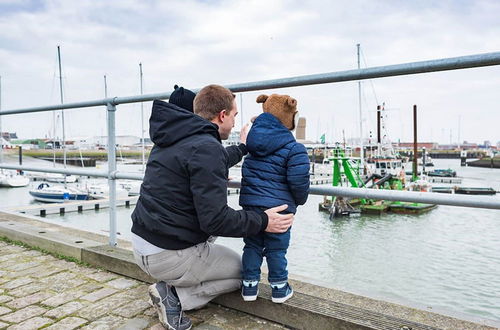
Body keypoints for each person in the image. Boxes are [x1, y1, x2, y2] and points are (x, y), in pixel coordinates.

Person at [131, 84, 294, 330]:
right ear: (222, 115)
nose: (235, 122)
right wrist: (263, 220)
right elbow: (215, 221)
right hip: (167, 256)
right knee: (246, 273)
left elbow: (210, 160)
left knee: (214, 232)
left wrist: (243, 148)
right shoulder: (206, 148)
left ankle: (180, 277)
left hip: (143, 244)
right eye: (234, 116)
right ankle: (174, 296)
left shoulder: (174, 137)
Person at [239, 93, 310, 303]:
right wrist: (299, 201)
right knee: (276, 249)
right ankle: (279, 288)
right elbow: (299, 182)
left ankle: (249, 286)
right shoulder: (294, 148)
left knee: (251, 246)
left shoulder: (251, 146)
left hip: (252, 208)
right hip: (280, 208)